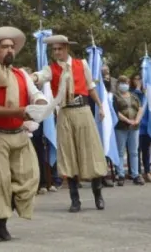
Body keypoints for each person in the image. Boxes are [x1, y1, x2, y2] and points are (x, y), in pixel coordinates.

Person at [0, 27, 49, 243]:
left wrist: (40, 105)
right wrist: (21, 112)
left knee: (26, 179)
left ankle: (2, 221)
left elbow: (37, 94)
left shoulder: (21, 74)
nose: (9, 50)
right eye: (4, 47)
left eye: (12, 47)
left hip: (19, 134)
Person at [32, 34, 106, 212]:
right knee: (68, 154)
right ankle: (75, 199)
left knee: (91, 150)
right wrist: (31, 77)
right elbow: (41, 76)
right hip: (65, 112)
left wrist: (100, 106)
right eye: (54, 49)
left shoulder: (82, 64)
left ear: (66, 49)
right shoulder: (51, 68)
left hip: (83, 110)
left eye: (59, 49)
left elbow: (90, 87)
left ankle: (98, 194)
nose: (57, 52)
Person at [112, 75, 144, 185]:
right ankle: (120, 175)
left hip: (135, 127)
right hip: (121, 127)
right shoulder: (115, 97)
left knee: (134, 152)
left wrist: (137, 120)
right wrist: (127, 120)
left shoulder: (134, 96)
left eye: (126, 82)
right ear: (118, 84)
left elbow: (140, 108)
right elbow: (116, 112)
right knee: (120, 151)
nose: (124, 84)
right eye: (122, 82)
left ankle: (135, 175)